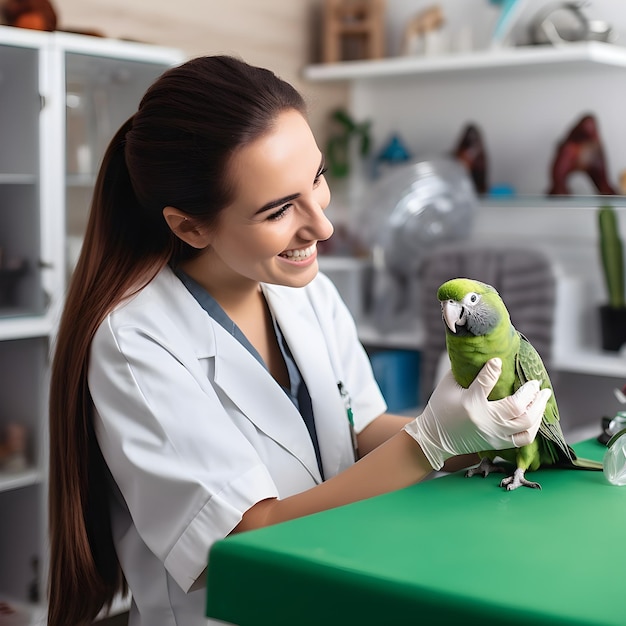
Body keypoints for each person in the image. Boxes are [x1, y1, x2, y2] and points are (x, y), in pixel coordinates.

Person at [47, 55, 549, 626]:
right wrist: (430, 442)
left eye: (316, 178)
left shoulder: (304, 290)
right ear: (190, 226)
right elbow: (241, 538)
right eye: (280, 209)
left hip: (336, 589)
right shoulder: (135, 342)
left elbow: (359, 429)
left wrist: (476, 434)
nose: (323, 226)